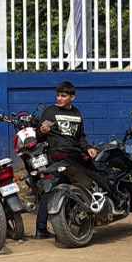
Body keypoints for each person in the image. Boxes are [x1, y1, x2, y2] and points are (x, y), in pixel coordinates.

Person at [34, 81, 97, 239]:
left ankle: (67, 227)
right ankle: (41, 229)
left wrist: (88, 147)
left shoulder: (77, 113)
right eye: (58, 95)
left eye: (63, 95)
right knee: (52, 190)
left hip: (74, 155)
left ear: (72, 97)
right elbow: (38, 136)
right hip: (57, 155)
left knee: (77, 189)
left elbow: (80, 137)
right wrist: (42, 131)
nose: (59, 98)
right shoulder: (50, 111)